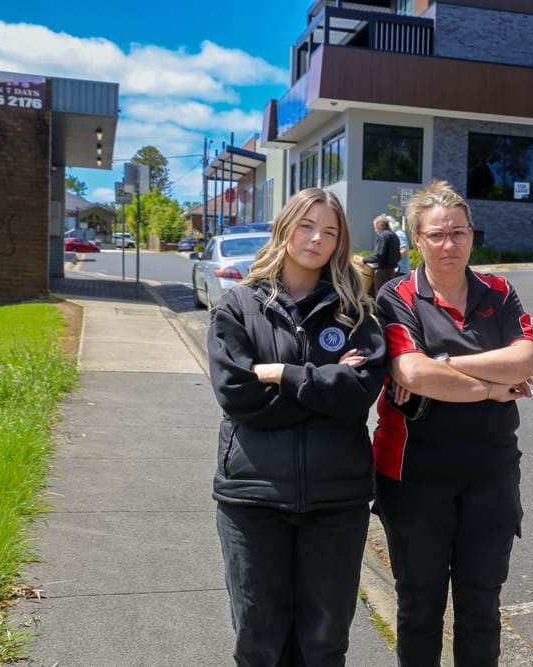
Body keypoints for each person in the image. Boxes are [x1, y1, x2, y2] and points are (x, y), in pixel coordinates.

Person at [207, 187, 388, 666]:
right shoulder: (240, 305)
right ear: (285, 228)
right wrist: (326, 386)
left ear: (340, 242)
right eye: (307, 226)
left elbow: (360, 395)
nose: (316, 239)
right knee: (259, 641)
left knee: (324, 644)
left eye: (329, 231)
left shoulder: (357, 311)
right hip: (253, 497)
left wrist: (283, 374)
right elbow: (239, 395)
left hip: (336, 501)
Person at [371, 180, 533, 666]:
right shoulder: (396, 295)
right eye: (437, 235)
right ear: (417, 241)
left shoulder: (500, 291)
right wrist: (489, 386)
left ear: (472, 236)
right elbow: (411, 371)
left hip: (490, 474)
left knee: (481, 607)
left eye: (459, 233)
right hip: (414, 476)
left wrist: (440, 364)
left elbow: (525, 361)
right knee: (420, 606)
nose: (450, 244)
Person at [357, 213, 401, 296]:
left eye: (375, 227)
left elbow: (378, 256)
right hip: (392, 271)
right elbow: (398, 255)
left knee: (380, 295)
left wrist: (364, 260)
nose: (375, 230)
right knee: (389, 295)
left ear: (380, 225)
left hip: (382, 272)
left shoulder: (383, 236)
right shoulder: (394, 235)